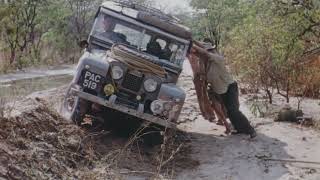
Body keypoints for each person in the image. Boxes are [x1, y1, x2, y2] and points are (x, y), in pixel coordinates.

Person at [191, 40, 257, 138]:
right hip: (220, 90)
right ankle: (239, 128)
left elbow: (204, 53)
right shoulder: (206, 64)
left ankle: (250, 130)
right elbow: (200, 54)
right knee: (229, 112)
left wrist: (192, 43)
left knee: (233, 110)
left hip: (230, 87)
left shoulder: (218, 59)